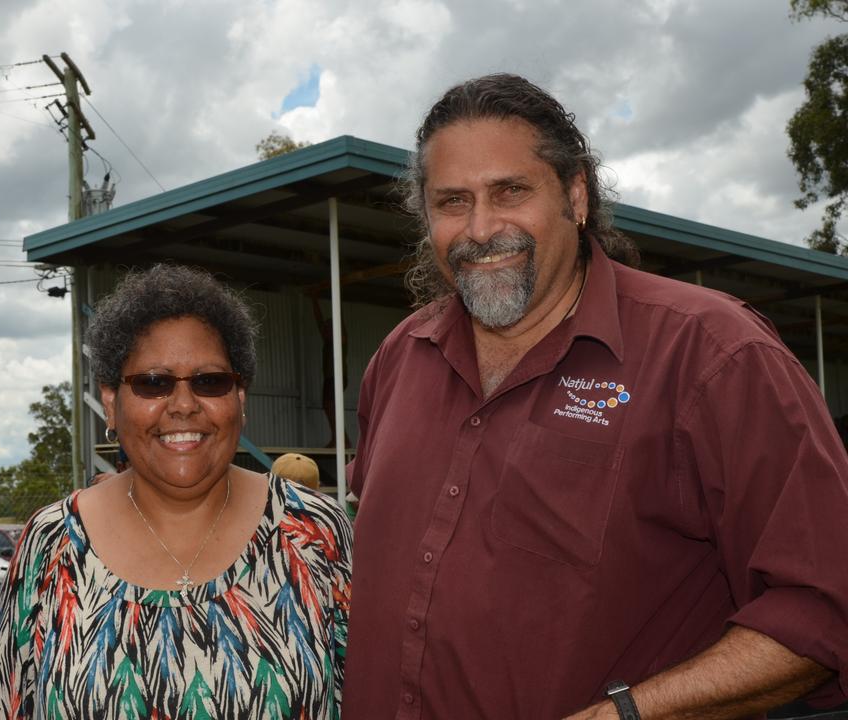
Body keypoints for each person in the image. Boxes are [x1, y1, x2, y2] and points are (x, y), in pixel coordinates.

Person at [343, 74, 848, 719]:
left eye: (511, 191)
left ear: (576, 195)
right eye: (451, 202)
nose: (480, 227)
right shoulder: (400, 357)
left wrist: (627, 714)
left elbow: (825, 605)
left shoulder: (713, 356)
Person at [0, 264, 353, 719]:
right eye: (153, 383)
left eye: (210, 382)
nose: (184, 405)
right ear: (111, 402)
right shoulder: (52, 546)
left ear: (240, 399)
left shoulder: (314, 534)